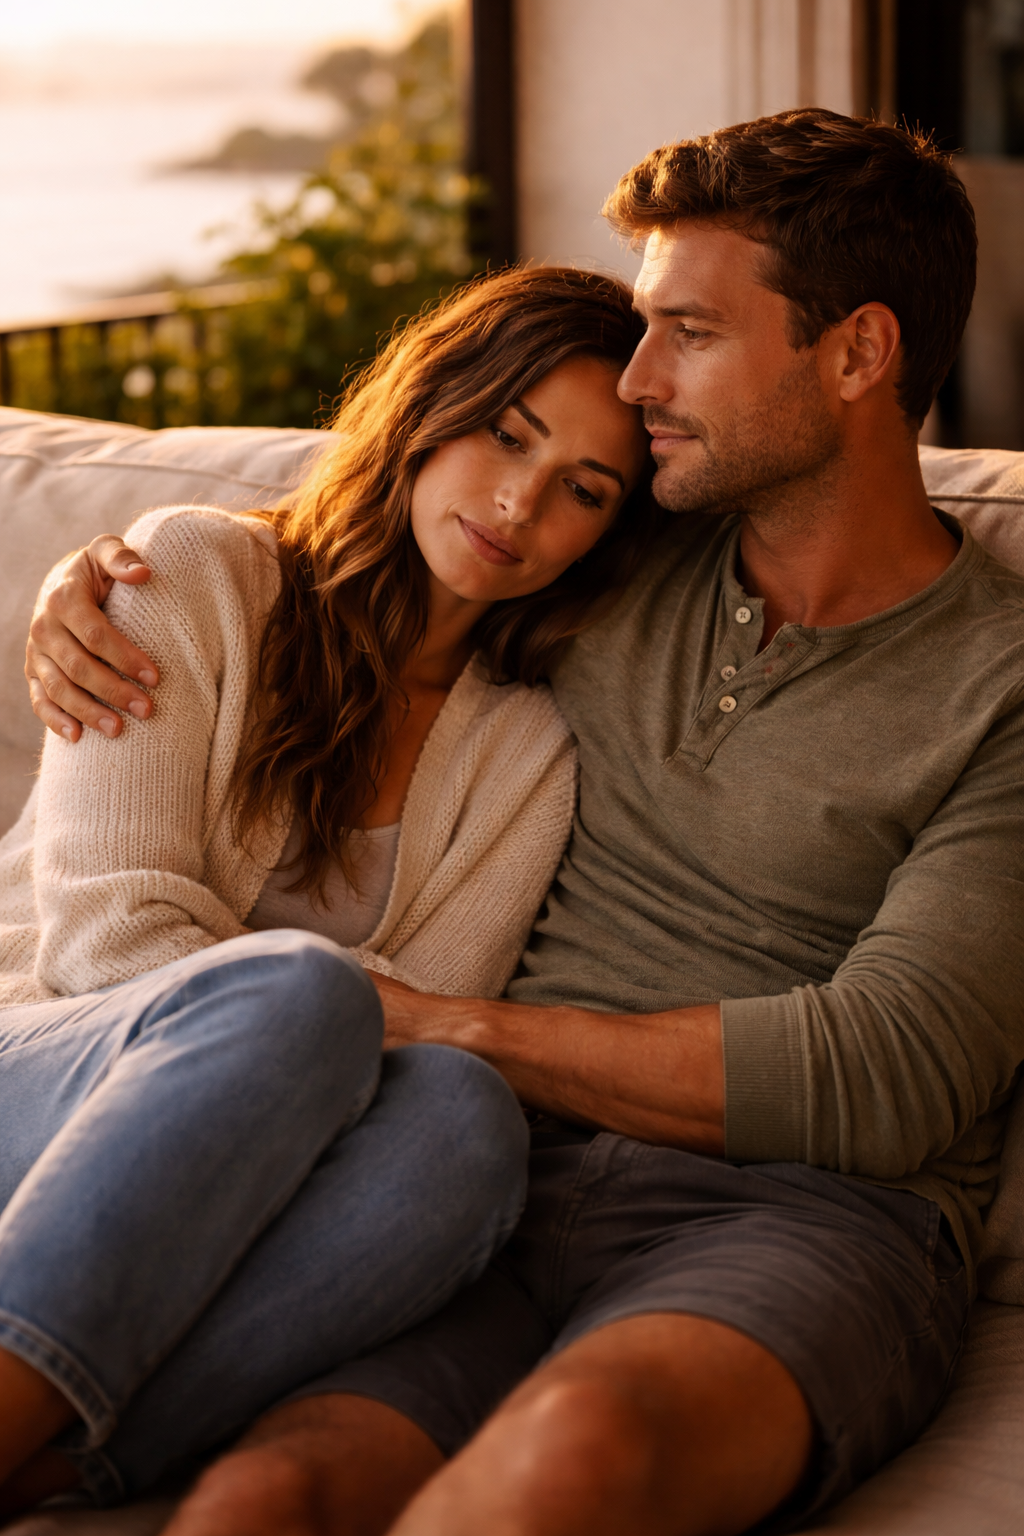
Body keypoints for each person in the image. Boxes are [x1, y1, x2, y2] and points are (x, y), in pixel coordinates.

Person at [27, 109, 1024, 1536]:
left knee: (569, 1457)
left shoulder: (1002, 682)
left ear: (859, 353)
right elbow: (360, 532)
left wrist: (441, 1029)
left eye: (688, 331)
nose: (639, 381)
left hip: (796, 1217)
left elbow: (888, 1068)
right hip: (474, 1177)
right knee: (265, 1494)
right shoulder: (614, 548)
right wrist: (86, 588)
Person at [0, 267, 654, 1521]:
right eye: (505, 432)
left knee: (466, 1118)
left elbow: (433, 1035)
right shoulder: (186, 573)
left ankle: (56, 1461)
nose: (519, 504)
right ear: (432, 401)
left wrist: (338, 1027)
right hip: (38, 1076)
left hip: (235, 1180)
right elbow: (100, 942)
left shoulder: (529, 751)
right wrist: (317, 1012)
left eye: (583, 489)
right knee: (303, 996)